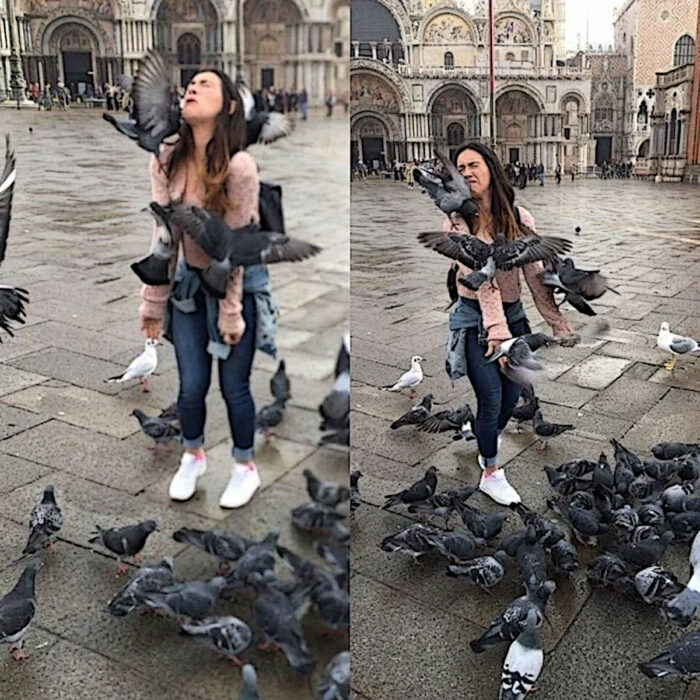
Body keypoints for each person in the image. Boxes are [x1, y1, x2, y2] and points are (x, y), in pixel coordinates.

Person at [139, 69, 276, 508]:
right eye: (190, 85)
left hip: (237, 286)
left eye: (205, 85)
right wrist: (153, 303)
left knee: (234, 386)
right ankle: (192, 455)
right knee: (190, 385)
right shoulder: (167, 159)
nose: (191, 89)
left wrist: (231, 311)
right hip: (188, 287)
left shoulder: (239, 167)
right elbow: (165, 239)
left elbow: (234, 250)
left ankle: (244, 467)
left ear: (230, 106)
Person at [440, 143, 577, 505]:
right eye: (460, 167)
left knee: (514, 396)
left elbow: (535, 275)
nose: (466, 172)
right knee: (491, 397)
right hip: (474, 321)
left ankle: (485, 440)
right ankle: (491, 473)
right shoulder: (457, 222)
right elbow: (483, 283)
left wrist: (557, 323)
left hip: (514, 317)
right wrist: (498, 337)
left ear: (491, 168)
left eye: (473, 164)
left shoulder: (520, 218)